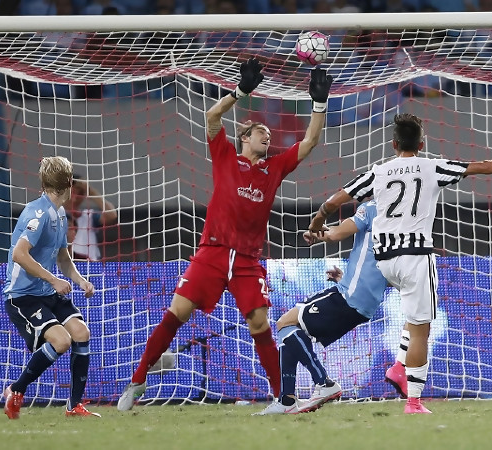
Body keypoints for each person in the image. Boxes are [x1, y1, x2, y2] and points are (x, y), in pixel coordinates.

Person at [117, 58, 333, 411]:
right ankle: (138, 380)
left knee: (260, 323)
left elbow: (309, 141)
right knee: (177, 312)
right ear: (245, 137)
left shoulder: (274, 168)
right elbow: (212, 117)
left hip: (247, 260)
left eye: (268, 134)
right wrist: (240, 91)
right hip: (212, 253)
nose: (268, 136)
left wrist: (319, 103)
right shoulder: (225, 156)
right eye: (261, 132)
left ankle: (283, 398)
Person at [308, 113, 492, 414]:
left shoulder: (377, 172)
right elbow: (484, 167)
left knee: (411, 315)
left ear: (394, 144)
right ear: (422, 144)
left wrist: (317, 222)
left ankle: (399, 364)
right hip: (415, 257)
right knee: (421, 330)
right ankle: (413, 401)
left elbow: (333, 202)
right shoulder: (433, 167)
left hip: (383, 261)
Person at [255, 200, 411, 415]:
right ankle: (286, 399)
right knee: (292, 331)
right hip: (364, 305)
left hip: (349, 296)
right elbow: (391, 276)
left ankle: (323, 383)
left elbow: (336, 234)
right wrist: (347, 278)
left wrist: (317, 230)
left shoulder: (372, 207)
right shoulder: (404, 223)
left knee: (285, 323)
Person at [3, 156, 99, 419]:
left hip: (46, 292)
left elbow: (63, 258)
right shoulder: (38, 213)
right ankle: (16, 389)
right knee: (61, 341)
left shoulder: (59, 213)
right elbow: (19, 254)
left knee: (81, 332)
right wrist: (53, 280)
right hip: (23, 296)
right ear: (68, 182)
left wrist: (80, 281)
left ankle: (74, 406)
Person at [64, 174, 117, 261]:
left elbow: (111, 215)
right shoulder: (55, 215)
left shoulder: (88, 216)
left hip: (90, 265)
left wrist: (90, 191)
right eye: (72, 193)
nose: (75, 198)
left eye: (80, 193)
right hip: (64, 265)